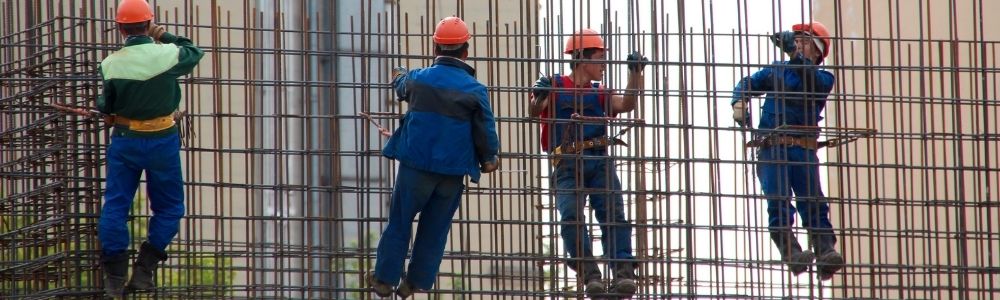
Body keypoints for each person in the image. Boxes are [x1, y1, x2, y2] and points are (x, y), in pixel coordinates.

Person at [368, 16, 501, 298]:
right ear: (465, 51)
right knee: (435, 230)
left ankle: (384, 279)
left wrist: (398, 73)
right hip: (452, 174)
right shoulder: (476, 90)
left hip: (416, 168)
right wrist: (489, 158)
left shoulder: (418, 79)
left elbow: (401, 85)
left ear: (435, 49)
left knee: (400, 222)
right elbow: (486, 129)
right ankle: (415, 283)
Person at [94, 0, 204, 298]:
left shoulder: (110, 64)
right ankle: (145, 268)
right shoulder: (167, 54)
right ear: (149, 24)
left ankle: (114, 278)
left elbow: (106, 104)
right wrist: (164, 35)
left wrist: (109, 110)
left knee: (116, 206)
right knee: (169, 208)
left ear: (120, 28)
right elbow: (195, 52)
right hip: (162, 139)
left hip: (126, 138)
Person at [528, 28, 647, 297]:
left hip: (599, 161)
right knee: (570, 217)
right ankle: (589, 272)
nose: (605, 65)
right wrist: (540, 93)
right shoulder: (554, 84)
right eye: (601, 58)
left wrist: (635, 74)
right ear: (582, 58)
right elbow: (535, 110)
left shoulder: (600, 92)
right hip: (567, 162)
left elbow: (626, 104)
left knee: (613, 214)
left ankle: (623, 272)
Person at [730, 21, 844, 280]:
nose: (798, 45)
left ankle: (825, 252)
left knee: (812, 201)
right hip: (773, 149)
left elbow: (809, 78)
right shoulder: (776, 71)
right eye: (797, 41)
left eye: (804, 42)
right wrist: (739, 99)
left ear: (817, 52)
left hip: (803, 150)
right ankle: (791, 253)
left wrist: (793, 53)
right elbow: (748, 82)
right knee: (778, 203)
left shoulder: (823, 78)